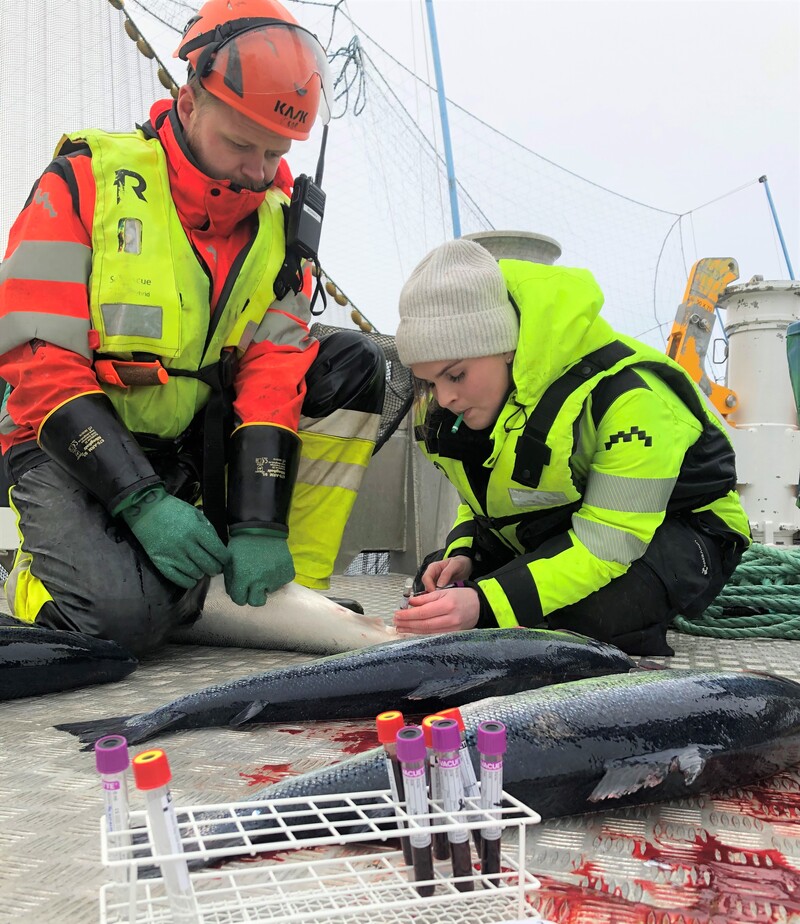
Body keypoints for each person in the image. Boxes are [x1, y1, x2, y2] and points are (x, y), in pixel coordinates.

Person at [0, 0, 385, 655]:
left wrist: (260, 525)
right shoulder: (84, 182)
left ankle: (287, 586)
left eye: (275, 151)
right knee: (121, 624)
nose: (259, 172)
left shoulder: (281, 225)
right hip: (67, 442)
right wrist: (141, 502)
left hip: (184, 442)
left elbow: (273, 370)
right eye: (240, 144)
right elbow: (39, 362)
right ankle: (36, 578)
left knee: (352, 363)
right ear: (188, 103)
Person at [392, 238, 750, 655]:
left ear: (506, 347)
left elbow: (609, 542)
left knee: (592, 621)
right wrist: (464, 554)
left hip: (681, 526)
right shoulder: (474, 405)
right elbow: (481, 499)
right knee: (434, 586)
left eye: (455, 375)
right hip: (567, 523)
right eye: (430, 382)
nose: (445, 398)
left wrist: (485, 603)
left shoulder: (632, 401)